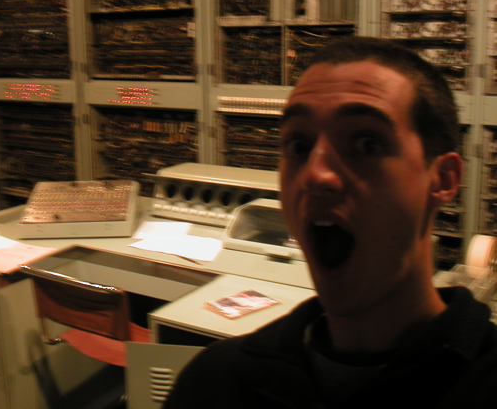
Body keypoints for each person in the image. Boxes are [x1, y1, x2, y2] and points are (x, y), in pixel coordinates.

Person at [163, 36, 497, 408]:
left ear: (444, 179)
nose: (315, 175)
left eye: (367, 144)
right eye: (299, 146)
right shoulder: (214, 385)